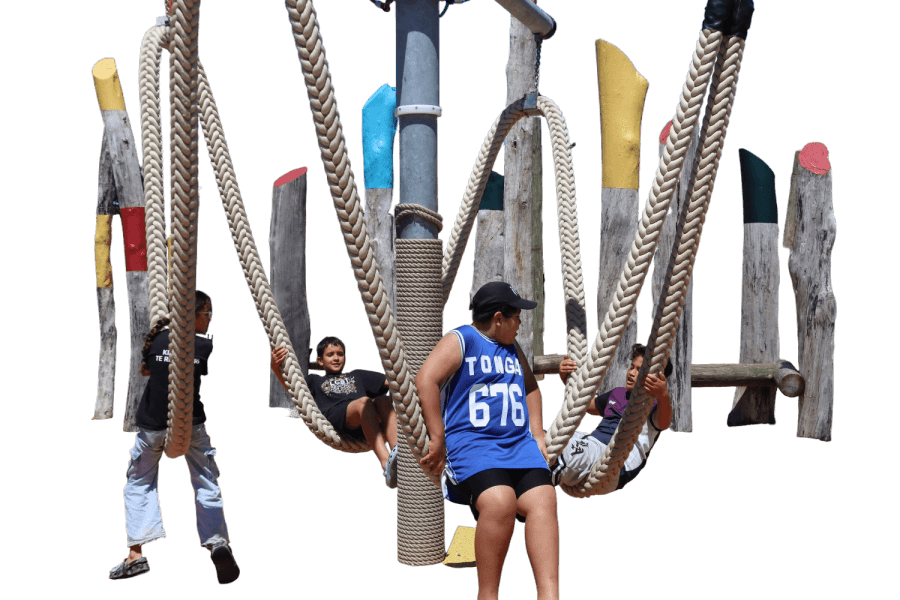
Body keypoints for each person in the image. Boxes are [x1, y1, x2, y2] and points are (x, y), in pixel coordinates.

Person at [417, 281, 559, 600]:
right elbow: (426, 378)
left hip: (519, 447)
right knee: (499, 501)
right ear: (498, 318)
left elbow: (531, 388)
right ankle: (488, 594)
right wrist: (436, 436)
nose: (520, 322)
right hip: (473, 445)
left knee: (544, 500)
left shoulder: (513, 348)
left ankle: (549, 595)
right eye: (516, 316)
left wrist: (537, 432)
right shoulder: (462, 339)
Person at [109, 290, 240, 585]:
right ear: (194, 313)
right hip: (190, 425)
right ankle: (217, 541)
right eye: (207, 313)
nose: (209, 319)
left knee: (139, 481)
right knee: (206, 480)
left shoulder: (155, 339)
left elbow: (150, 369)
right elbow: (196, 369)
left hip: (153, 426)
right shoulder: (203, 345)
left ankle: (135, 554)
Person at [271, 336, 399, 488]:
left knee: (382, 400)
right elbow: (292, 388)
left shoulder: (357, 375)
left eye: (340, 354)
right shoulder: (314, 381)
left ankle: (399, 453)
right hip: (339, 418)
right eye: (330, 355)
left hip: (368, 420)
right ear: (320, 360)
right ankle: (385, 462)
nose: (336, 358)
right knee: (364, 403)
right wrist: (276, 368)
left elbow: (392, 382)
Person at [551, 342, 672, 491]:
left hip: (617, 462)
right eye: (632, 367)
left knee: (557, 455)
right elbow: (586, 405)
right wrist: (567, 379)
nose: (631, 373)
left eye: (639, 370)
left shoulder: (653, 404)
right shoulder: (618, 394)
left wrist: (663, 395)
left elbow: (664, 422)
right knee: (543, 441)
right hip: (592, 445)